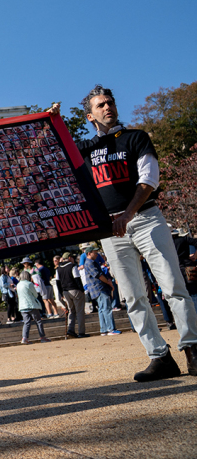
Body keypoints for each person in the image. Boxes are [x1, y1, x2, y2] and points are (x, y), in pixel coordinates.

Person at [51, 89, 197, 380]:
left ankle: (193, 348)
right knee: (132, 296)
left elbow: (149, 178)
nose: (108, 107)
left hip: (145, 218)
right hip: (110, 229)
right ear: (90, 116)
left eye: (111, 102)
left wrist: (128, 213)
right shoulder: (85, 148)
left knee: (172, 286)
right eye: (101, 105)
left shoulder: (135, 137)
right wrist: (53, 122)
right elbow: (54, 152)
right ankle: (159, 356)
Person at [84, 246, 121, 336]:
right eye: (95, 252)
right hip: (99, 288)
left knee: (101, 309)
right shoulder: (90, 263)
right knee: (106, 308)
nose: (97, 254)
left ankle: (104, 329)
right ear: (89, 253)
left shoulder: (89, 262)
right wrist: (109, 282)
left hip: (95, 289)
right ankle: (110, 329)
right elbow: (99, 275)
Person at [55, 253, 88, 339]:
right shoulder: (72, 266)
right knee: (80, 311)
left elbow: (57, 282)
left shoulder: (58, 268)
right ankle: (81, 332)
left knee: (71, 311)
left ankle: (71, 329)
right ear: (69, 258)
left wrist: (61, 293)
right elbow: (77, 278)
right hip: (75, 290)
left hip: (66, 292)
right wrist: (82, 290)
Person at [17, 272, 50, 345]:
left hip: (22, 306)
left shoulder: (18, 284)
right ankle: (42, 337)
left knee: (26, 322)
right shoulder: (29, 284)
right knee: (38, 321)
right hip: (31, 305)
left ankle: (24, 338)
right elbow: (35, 294)